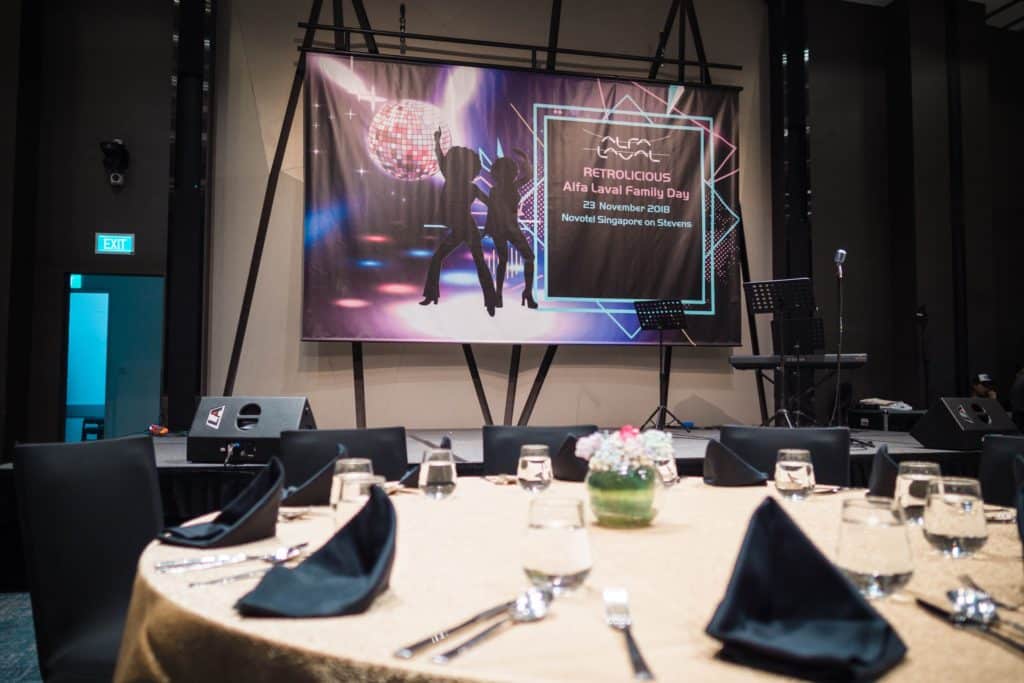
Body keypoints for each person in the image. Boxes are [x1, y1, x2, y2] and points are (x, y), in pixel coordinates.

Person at [420, 129, 497, 316]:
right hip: (463, 229)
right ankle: (432, 295)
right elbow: (440, 157)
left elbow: (491, 204)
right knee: (474, 262)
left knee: (476, 262)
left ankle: (490, 302)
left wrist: (437, 140)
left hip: (467, 229)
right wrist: (436, 141)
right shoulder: (462, 183)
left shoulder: (458, 181)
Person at [482, 149, 537, 309]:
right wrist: (525, 159)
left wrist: (526, 158)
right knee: (517, 259)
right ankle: (518, 294)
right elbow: (492, 211)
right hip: (507, 229)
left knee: (506, 260)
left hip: (506, 229)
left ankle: (508, 295)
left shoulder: (504, 188)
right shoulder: (508, 187)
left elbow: (529, 176)